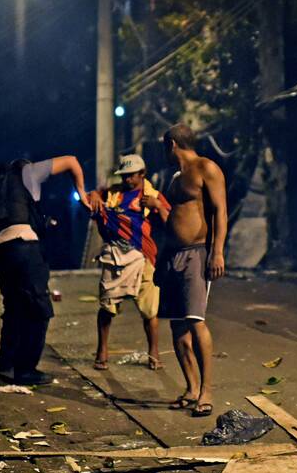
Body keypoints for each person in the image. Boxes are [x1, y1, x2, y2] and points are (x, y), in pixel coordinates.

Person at [0, 156, 90, 384]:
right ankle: (26, 369)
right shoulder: (28, 172)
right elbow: (71, 161)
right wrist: (83, 195)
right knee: (39, 309)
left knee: (13, 307)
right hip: (22, 246)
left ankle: (6, 363)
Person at [157, 123, 227, 417]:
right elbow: (173, 217)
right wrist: (160, 260)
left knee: (195, 320)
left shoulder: (206, 167)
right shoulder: (174, 179)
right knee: (177, 327)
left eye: (165, 147)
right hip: (172, 256)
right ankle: (191, 387)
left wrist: (217, 252)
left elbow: (220, 211)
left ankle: (206, 392)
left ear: (172, 144)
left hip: (197, 254)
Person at [87, 154, 171, 371]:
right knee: (107, 305)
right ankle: (102, 351)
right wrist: (95, 194)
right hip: (115, 256)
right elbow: (91, 198)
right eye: (123, 175)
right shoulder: (112, 193)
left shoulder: (152, 195)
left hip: (143, 256)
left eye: (131, 176)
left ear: (142, 174)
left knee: (149, 309)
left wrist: (157, 206)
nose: (126, 180)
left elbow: (171, 221)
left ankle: (154, 353)